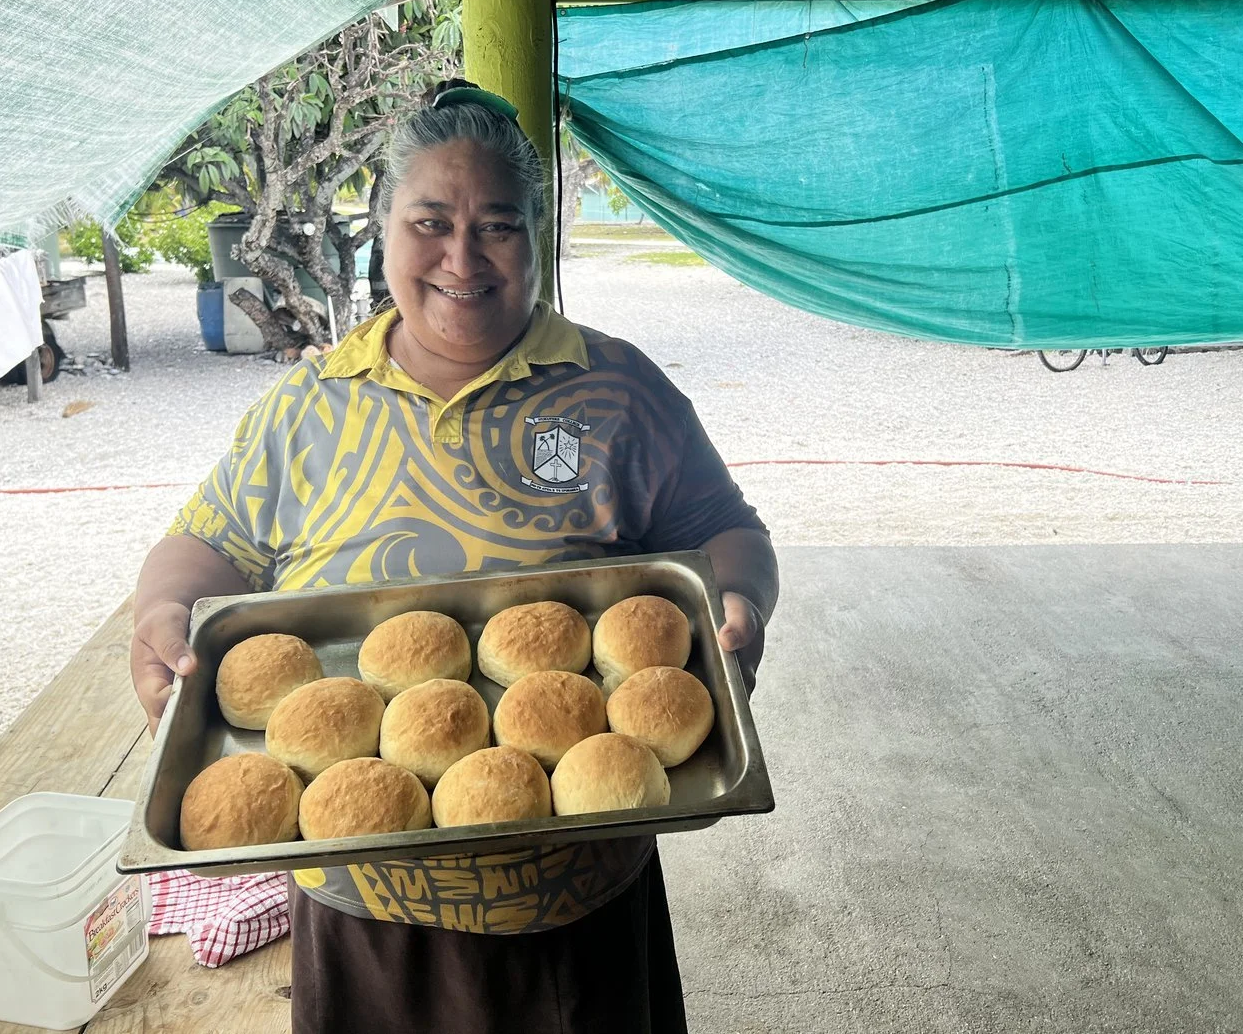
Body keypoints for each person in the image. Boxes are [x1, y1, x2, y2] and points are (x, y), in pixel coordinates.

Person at [131, 80, 779, 1034]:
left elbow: (730, 528)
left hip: (575, 906)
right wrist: (161, 613)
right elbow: (207, 544)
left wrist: (740, 601)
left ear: (538, 236)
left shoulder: (617, 389)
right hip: (367, 913)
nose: (461, 258)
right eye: (429, 221)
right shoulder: (311, 404)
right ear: (383, 228)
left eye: (500, 227)